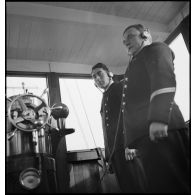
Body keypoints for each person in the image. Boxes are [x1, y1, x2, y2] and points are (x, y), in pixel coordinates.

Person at [121, 24, 190, 193]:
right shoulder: (133, 64)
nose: (126, 42)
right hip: (146, 134)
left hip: (162, 128)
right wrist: (130, 141)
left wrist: (158, 118)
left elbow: (162, 78)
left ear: (145, 34)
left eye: (130, 36)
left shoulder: (155, 49)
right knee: (160, 185)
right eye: (124, 41)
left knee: (175, 184)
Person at [91, 63, 147, 193]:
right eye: (94, 77)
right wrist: (108, 157)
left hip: (127, 149)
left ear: (109, 74)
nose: (97, 78)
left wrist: (131, 144)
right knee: (126, 187)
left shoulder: (119, 87)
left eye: (99, 73)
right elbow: (107, 128)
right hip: (115, 154)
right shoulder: (104, 96)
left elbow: (132, 114)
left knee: (137, 186)